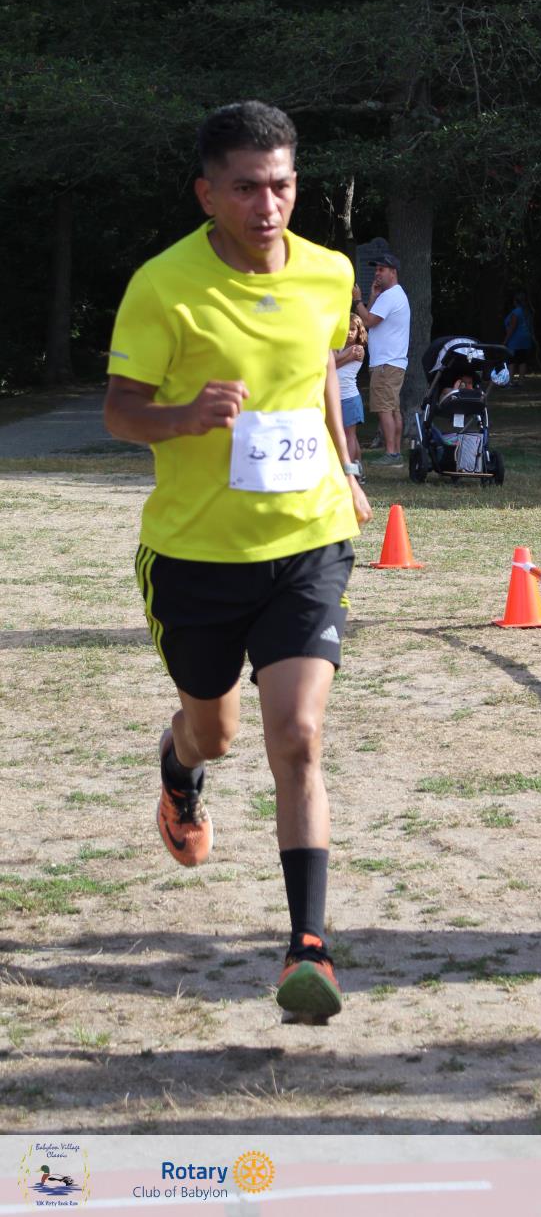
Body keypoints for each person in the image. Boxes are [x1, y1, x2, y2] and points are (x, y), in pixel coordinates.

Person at [103, 100, 372, 1023]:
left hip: (307, 539)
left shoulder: (329, 272)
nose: (269, 205)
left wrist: (347, 468)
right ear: (207, 193)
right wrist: (184, 417)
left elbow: (321, 370)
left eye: (282, 186)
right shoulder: (163, 285)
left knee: (297, 734)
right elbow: (119, 409)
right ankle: (179, 771)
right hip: (195, 556)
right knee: (213, 734)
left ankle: (310, 950)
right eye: (248, 187)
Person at [352, 255, 410, 467]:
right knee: (393, 409)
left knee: (384, 409)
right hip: (393, 362)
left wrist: (357, 300)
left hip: (386, 363)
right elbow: (371, 317)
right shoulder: (393, 295)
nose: (377, 273)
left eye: (381, 270)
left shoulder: (390, 296)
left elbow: (367, 321)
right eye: (376, 269)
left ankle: (392, 454)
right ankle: (396, 453)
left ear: (393, 272)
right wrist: (372, 297)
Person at [334, 313, 367, 480]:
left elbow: (331, 365)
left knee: (350, 436)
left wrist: (335, 361)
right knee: (344, 436)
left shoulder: (358, 349)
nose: (349, 332)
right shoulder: (336, 347)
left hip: (349, 398)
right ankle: (358, 469)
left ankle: (349, 473)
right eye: (346, 329)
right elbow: (330, 364)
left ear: (359, 331)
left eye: (353, 329)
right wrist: (340, 359)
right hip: (335, 398)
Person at [503, 292, 534, 382]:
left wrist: (505, 340)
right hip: (526, 338)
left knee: (511, 360)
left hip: (515, 339)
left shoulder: (516, 312)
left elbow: (512, 327)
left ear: (515, 301)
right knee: (522, 360)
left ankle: (510, 381)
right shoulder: (527, 312)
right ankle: (521, 381)